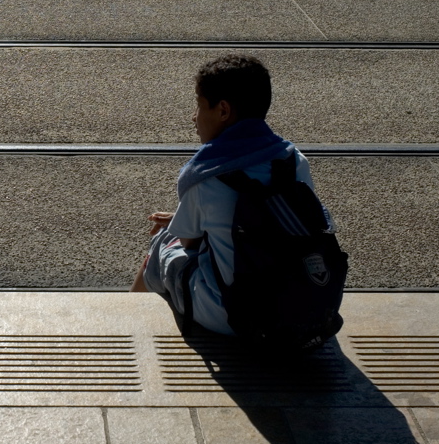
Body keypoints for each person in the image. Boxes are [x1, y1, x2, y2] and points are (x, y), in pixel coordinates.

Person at [131, 54, 317, 336]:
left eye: (198, 105)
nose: (194, 117)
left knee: (162, 242)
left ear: (223, 110)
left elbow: (189, 242)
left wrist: (182, 220)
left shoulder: (206, 176)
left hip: (232, 315)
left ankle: (125, 315)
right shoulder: (294, 160)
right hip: (300, 304)